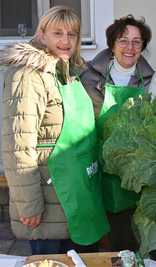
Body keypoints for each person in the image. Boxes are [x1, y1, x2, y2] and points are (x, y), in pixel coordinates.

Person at [0, 6, 109, 254]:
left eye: (72, 34)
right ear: (42, 35)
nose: (65, 40)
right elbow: (17, 145)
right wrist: (29, 205)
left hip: (75, 198)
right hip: (48, 204)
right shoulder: (27, 75)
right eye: (57, 33)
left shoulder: (66, 73)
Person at [80, 14, 153, 252]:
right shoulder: (89, 79)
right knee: (112, 243)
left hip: (141, 171)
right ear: (112, 45)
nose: (129, 47)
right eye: (123, 40)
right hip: (103, 171)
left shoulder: (154, 79)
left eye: (136, 42)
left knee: (140, 241)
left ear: (142, 47)